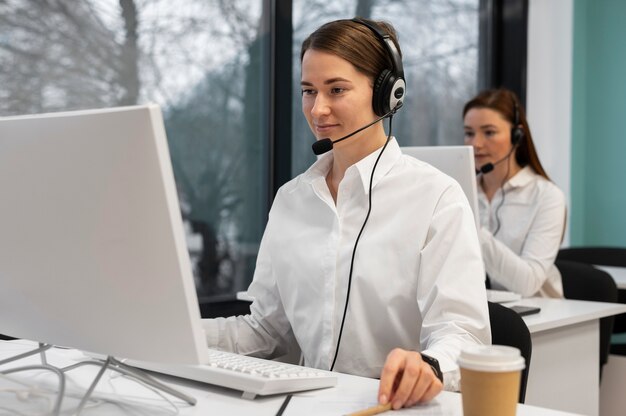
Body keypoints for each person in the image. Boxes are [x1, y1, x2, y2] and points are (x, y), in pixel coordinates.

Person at [202, 18, 490, 409]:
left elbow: (463, 332)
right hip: (312, 406)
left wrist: (430, 365)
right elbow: (265, 331)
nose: (318, 109)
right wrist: (172, 332)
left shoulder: (436, 197)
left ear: (388, 93)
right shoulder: (292, 199)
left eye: (336, 89)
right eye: (308, 91)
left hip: (392, 406)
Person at [463, 88, 567, 298]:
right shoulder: (462, 190)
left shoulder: (546, 197)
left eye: (489, 132)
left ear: (516, 136)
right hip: (479, 310)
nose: (476, 144)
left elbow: (528, 283)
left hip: (542, 316)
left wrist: (471, 226)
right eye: (469, 133)